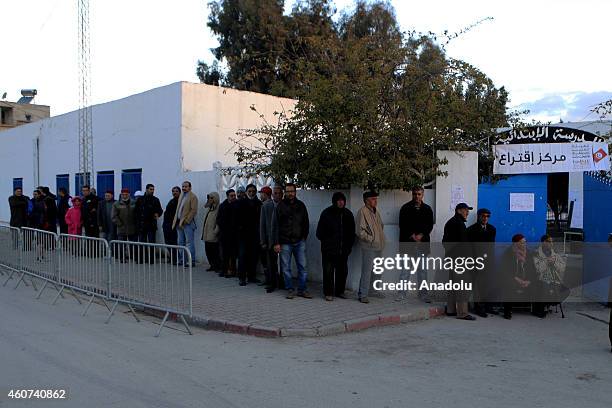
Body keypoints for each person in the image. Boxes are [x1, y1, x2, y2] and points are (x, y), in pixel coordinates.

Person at [271, 183, 311, 299]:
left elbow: (306, 222)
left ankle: (302, 290)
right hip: (284, 242)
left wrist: (304, 236)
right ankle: (290, 289)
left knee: (302, 267)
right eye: (288, 191)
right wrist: (276, 243)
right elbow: (275, 226)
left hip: (299, 241)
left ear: (295, 192)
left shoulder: (301, 205)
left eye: (292, 191)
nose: (290, 193)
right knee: (286, 268)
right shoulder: (280, 206)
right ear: (285, 192)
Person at [316, 192, 355, 301]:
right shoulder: (326, 213)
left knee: (342, 272)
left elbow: (352, 233)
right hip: (329, 250)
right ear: (334, 201)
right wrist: (327, 243)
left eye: (342, 200)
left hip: (343, 250)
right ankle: (328, 293)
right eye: (338, 200)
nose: (341, 202)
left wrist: (348, 247)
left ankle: (340, 291)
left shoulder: (348, 214)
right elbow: (319, 232)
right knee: (328, 272)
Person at [398, 186, 434, 302]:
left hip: (422, 244)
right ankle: (401, 294)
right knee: (405, 270)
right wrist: (412, 235)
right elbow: (402, 224)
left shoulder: (428, 209)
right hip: (408, 243)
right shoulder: (405, 208)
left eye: (419, 194)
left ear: (423, 195)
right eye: (415, 194)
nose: (417, 196)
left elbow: (429, 225)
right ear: (412, 194)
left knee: (422, 271)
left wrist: (421, 235)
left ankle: (423, 295)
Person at [443, 203, 476, 321]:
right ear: (458, 211)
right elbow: (464, 245)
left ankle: (451, 310)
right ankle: (462, 312)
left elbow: (445, 242)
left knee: (453, 286)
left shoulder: (450, 222)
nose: (467, 213)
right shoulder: (459, 224)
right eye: (465, 210)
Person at [501, 234, 545, 319]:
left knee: (540, 283)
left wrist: (529, 281)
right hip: (514, 278)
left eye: (525, 242)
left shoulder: (528, 253)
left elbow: (533, 270)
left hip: (526, 279)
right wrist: (518, 280)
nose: (524, 244)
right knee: (508, 283)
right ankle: (507, 311)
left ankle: (537, 310)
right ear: (515, 244)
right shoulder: (508, 253)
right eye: (522, 243)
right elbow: (505, 270)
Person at [355, 190, 386, 303]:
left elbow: (381, 225)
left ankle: (374, 291)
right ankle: (362, 294)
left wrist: (379, 238)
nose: (375, 201)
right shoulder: (362, 212)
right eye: (373, 199)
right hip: (369, 246)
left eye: (376, 199)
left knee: (377, 270)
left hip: (378, 245)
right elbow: (359, 231)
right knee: (367, 271)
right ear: (366, 201)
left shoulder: (375, 211)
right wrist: (371, 239)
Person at [467, 208, 497, 317]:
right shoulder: (471, 230)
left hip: (488, 261)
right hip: (476, 262)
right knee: (478, 286)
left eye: (487, 216)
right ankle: (479, 308)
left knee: (488, 284)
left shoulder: (492, 229)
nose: (485, 218)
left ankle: (488, 306)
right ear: (479, 216)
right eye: (483, 216)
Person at [237, 184, 263, 286]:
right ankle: (242, 277)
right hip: (243, 235)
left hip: (255, 235)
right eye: (249, 191)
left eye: (253, 191)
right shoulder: (241, 203)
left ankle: (252, 276)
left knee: (254, 256)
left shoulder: (258, 203)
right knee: (242, 256)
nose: (251, 193)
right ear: (246, 192)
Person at [260, 185, 283, 292]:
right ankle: (271, 283)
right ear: (272, 194)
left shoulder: (285, 205)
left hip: (283, 240)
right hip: (270, 240)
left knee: (283, 263)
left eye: (279, 193)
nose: (277, 195)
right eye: (275, 193)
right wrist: (263, 241)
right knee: (271, 264)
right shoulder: (266, 206)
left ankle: (282, 283)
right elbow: (262, 225)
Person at [172, 181, 198, 267]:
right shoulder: (181, 196)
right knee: (180, 242)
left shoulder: (193, 197)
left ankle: (191, 261)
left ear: (190, 187)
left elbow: (193, 210)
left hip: (187, 224)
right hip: (179, 223)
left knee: (189, 243)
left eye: (186, 186)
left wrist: (186, 221)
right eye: (183, 186)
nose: (184, 188)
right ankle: (182, 260)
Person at [217, 189, 238, 278]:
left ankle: (232, 270)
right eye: (231, 196)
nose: (233, 197)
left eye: (234, 195)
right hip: (225, 234)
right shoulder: (222, 206)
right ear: (227, 196)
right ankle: (224, 270)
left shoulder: (237, 205)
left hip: (234, 234)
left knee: (233, 254)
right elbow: (218, 219)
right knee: (225, 254)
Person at [201, 192, 221, 273]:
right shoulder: (210, 208)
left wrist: (215, 231)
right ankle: (212, 265)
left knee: (215, 251)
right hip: (207, 234)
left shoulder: (219, 208)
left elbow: (219, 221)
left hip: (213, 234)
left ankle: (217, 266)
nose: (210, 199)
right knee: (208, 251)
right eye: (209, 198)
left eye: (211, 198)